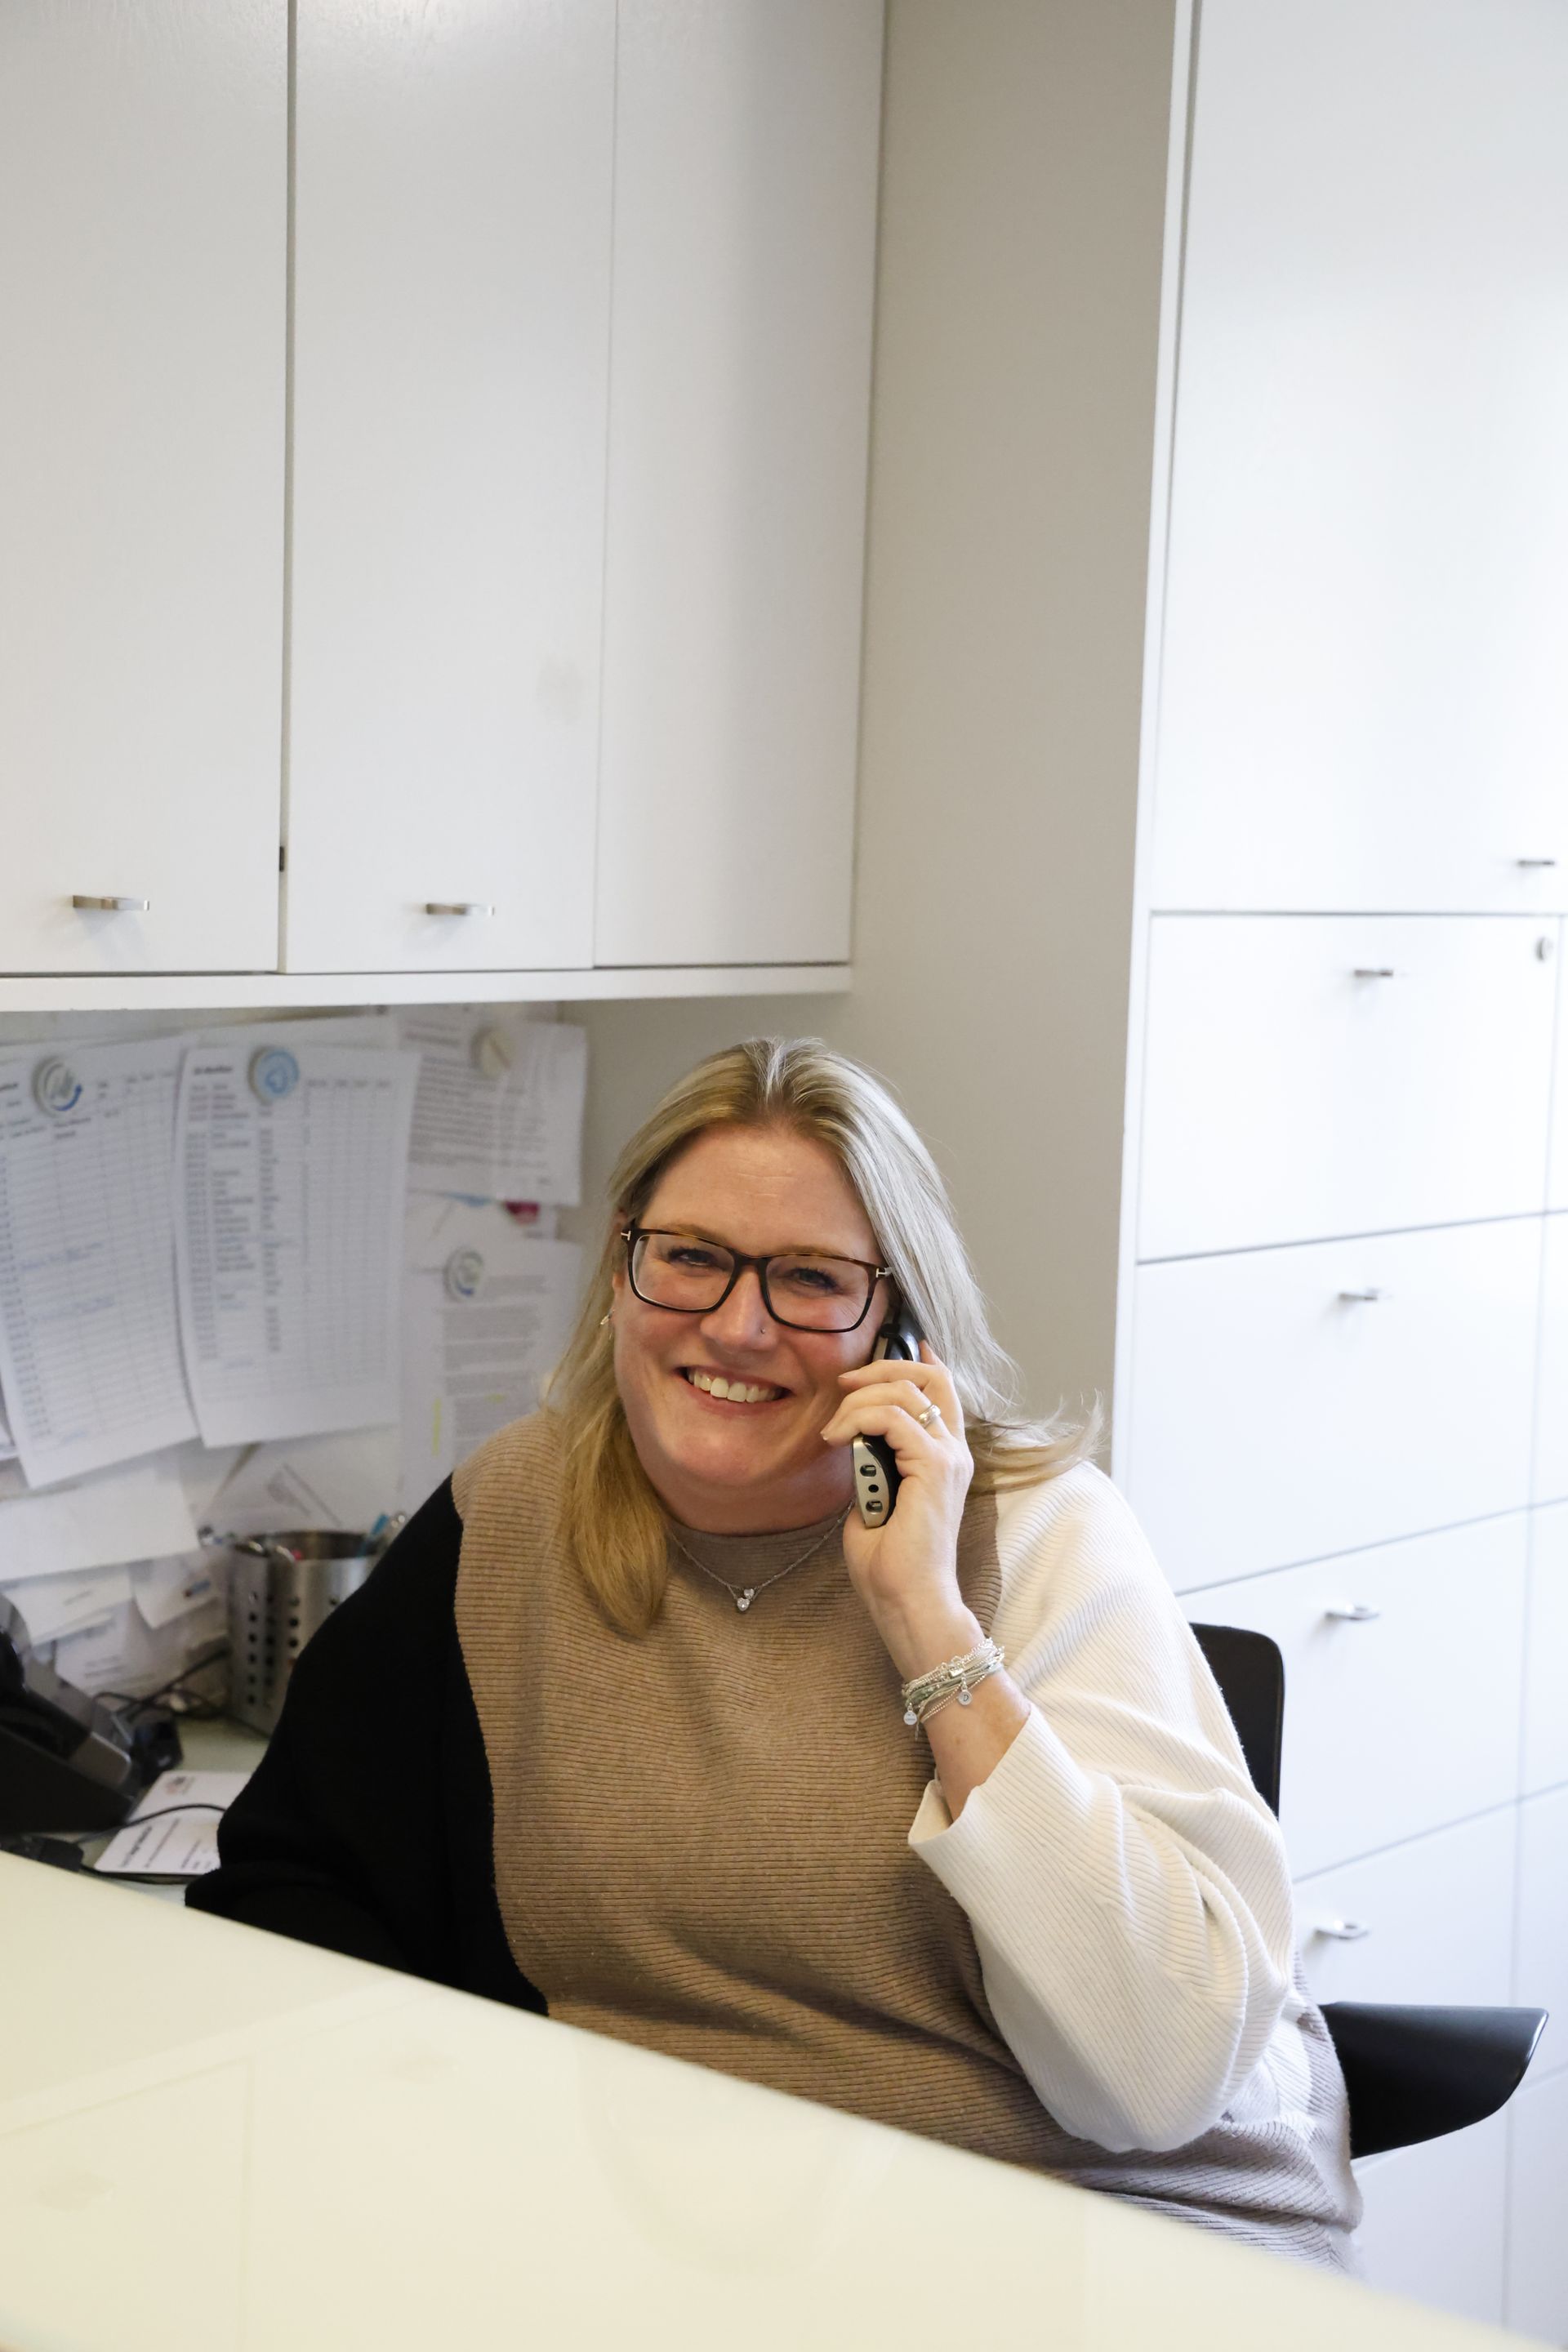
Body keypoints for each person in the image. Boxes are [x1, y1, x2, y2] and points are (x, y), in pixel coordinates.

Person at [190, 1037, 1360, 2270]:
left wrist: (927, 1620)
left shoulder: (1039, 1537)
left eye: (809, 1279)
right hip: (693, 2238)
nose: (738, 1326)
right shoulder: (519, 1513)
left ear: (898, 1326)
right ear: (621, 1269)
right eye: (690, 1257)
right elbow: (291, 1882)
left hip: (1103, 2229)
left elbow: (1161, 2074)